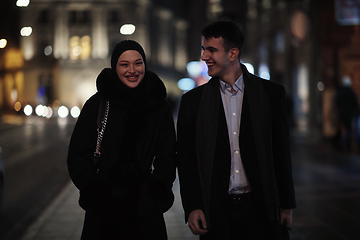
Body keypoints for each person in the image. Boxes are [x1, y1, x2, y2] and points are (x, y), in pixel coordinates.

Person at [177, 21, 296, 239]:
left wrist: (286, 204)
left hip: (260, 208)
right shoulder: (193, 102)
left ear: (233, 54)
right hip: (216, 209)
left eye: (212, 50)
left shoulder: (270, 94)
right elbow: (187, 160)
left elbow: (281, 152)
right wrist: (193, 206)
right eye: (203, 49)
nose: (204, 56)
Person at [67, 40, 176, 239]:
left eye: (138, 63)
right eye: (124, 64)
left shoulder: (158, 106)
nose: (132, 70)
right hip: (104, 213)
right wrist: (95, 190)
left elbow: (167, 155)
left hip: (145, 212)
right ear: (114, 67)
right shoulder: (98, 104)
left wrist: (157, 191)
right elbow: (77, 155)